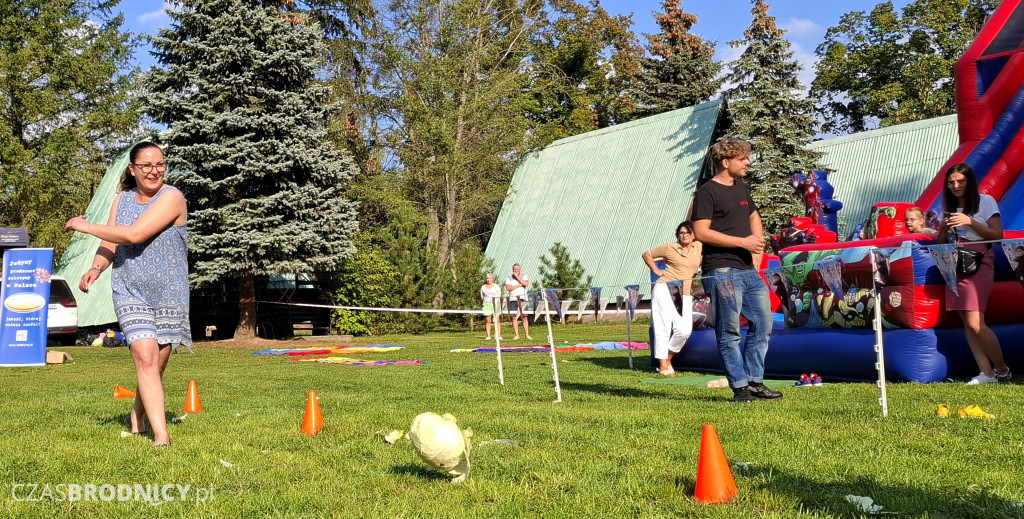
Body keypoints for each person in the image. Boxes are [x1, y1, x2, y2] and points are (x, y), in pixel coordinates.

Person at [65, 142, 191, 445]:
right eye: (146, 165)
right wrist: (97, 266)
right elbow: (113, 240)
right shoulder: (121, 200)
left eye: (159, 164)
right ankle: (161, 436)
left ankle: (137, 414)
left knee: (155, 365)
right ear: (132, 169)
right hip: (130, 288)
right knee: (144, 356)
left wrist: (85, 226)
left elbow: (134, 234)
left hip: (169, 291)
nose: (154, 171)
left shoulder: (172, 197)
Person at [691, 138, 782, 402]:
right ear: (726, 161)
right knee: (729, 331)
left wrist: (757, 249)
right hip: (721, 272)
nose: (748, 162)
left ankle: (755, 382)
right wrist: (743, 242)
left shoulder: (740, 187)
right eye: (743, 158)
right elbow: (700, 231)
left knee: (764, 323)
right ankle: (740, 387)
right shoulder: (707, 192)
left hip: (747, 271)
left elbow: (754, 216)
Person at [935, 163, 1010, 384]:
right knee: (966, 322)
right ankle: (986, 373)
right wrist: (944, 228)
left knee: (976, 322)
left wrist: (969, 221)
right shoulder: (949, 207)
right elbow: (941, 243)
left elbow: (998, 236)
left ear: (970, 181)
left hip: (979, 261)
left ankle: (1002, 369)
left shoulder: (985, 201)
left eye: (960, 181)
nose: (955, 186)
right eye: (951, 182)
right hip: (955, 263)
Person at [642, 221, 703, 377]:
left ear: (693, 235)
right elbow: (646, 254)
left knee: (684, 330)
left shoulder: (699, 247)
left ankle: (667, 359)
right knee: (663, 327)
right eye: (681, 233)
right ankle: (663, 367)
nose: (684, 235)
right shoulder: (669, 247)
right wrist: (656, 270)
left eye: (687, 233)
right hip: (665, 289)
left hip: (686, 293)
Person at [504, 264, 533, 340]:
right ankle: (517, 335)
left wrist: (517, 277)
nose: (515, 270)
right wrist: (519, 285)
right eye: (514, 269)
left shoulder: (524, 276)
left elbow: (526, 283)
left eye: (517, 269)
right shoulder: (509, 278)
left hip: (523, 299)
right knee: (514, 317)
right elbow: (508, 288)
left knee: (524, 317)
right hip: (513, 299)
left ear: (520, 269)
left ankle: (527, 335)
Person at [480, 272, 502, 340]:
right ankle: (488, 335)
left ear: (493, 279)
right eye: (487, 278)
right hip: (486, 304)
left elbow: (499, 295)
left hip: (496, 304)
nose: (488, 280)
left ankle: (498, 335)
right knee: (488, 320)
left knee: (497, 319)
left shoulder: (496, 286)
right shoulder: (483, 287)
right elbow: (482, 296)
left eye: (490, 278)